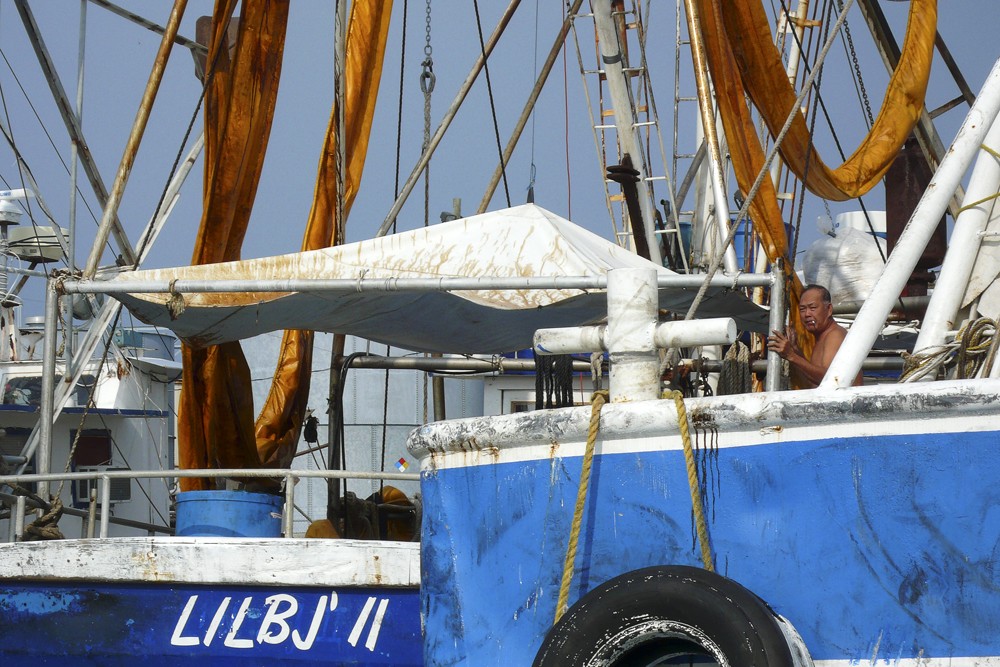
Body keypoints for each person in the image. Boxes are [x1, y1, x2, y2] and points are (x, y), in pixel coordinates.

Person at [766, 284, 862, 388]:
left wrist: (791, 355)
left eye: (813, 308)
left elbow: (830, 379)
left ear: (829, 309)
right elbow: (813, 381)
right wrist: (795, 349)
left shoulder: (835, 335)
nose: (807, 314)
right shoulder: (821, 336)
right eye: (802, 309)